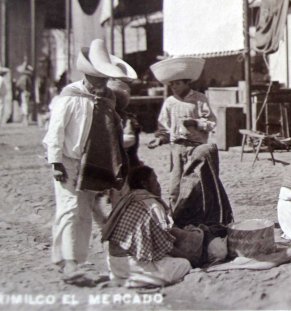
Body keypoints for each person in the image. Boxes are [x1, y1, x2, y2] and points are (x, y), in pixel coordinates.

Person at [42, 38, 136, 282]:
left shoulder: (108, 99)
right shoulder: (69, 97)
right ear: (85, 76)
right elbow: (56, 131)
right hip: (67, 160)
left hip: (91, 163)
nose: (100, 84)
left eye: (104, 79)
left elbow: (111, 131)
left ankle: (73, 260)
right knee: (70, 209)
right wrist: (55, 162)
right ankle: (69, 262)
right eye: (96, 79)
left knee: (82, 211)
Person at [148, 57, 233, 228]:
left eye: (177, 83)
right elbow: (164, 126)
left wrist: (196, 123)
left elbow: (211, 123)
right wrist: (160, 138)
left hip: (197, 148)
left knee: (199, 184)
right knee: (175, 186)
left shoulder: (199, 99)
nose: (174, 87)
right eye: (171, 84)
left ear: (186, 83)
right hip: (177, 148)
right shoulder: (170, 103)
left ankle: (204, 219)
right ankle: (177, 221)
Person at [102, 166, 192, 288]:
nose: (158, 185)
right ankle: (140, 280)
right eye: (155, 180)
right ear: (145, 184)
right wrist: (189, 257)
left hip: (114, 264)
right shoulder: (151, 204)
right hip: (132, 265)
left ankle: (128, 279)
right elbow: (165, 246)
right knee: (184, 264)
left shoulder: (127, 199)